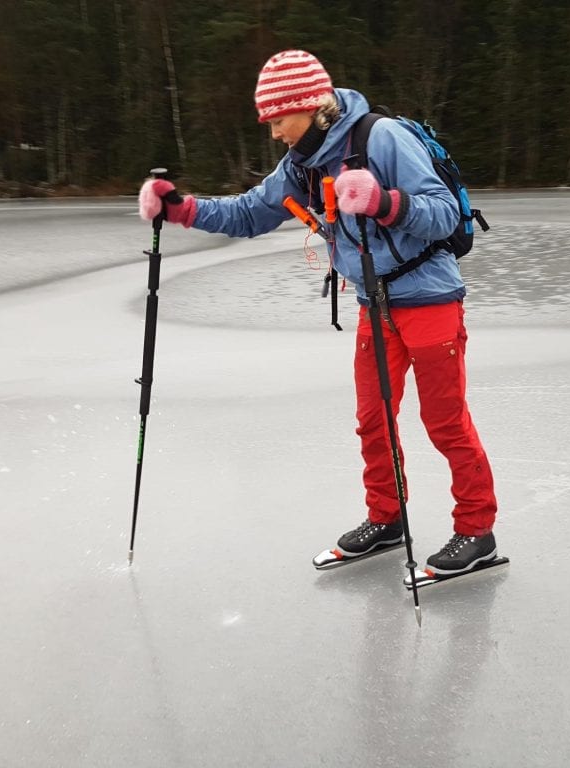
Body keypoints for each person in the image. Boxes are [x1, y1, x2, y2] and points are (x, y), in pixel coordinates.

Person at [139, 50, 498, 575]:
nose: (274, 132)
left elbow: (444, 215)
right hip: (373, 305)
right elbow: (249, 213)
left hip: (429, 300)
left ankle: (476, 531)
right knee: (373, 420)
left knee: (443, 421)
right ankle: (387, 519)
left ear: (308, 107)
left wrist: (383, 202)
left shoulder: (382, 138)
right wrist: (181, 209)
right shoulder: (302, 164)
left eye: (278, 119)